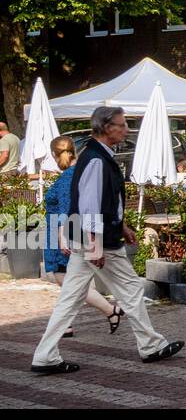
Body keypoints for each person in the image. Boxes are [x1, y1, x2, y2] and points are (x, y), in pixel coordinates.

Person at [31, 106, 183, 375]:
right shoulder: (98, 159)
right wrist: (94, 242)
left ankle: (44, 356)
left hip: (89, 237)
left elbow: (101, 201)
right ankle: (150, 346)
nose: (125, 129)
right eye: (121, 125)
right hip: (98, 241)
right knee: (131, 290)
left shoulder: (97, 156)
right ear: (106, 127)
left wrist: (121, 225)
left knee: (70, 298)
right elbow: (89, 203)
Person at [42, 135, 122, 336]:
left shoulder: (68, 176)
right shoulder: (75, 172)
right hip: (68, 231)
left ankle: (110, 310)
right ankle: (68, 324)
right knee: (71, 282)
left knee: (68, 282)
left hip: (63, 233)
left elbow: (65, 209)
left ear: (54, 154)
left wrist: (61, 236)